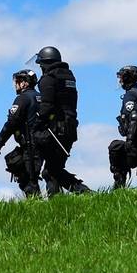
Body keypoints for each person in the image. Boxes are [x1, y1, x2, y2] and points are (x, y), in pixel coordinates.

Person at [32, 46, 92, 195]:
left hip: (56, 129)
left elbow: (46, 106)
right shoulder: (69, 77)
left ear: (46, 63)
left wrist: (37, 124)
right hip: (70, 127)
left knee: (50, 171)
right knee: (54, 169)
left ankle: (82, 192)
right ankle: (67, 198)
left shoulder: (48, 79)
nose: (40, 67)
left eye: (41, 64)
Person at [0, 69, 42, 197]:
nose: (15, 84)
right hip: (43, 142)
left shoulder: (22, 98)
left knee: (27, 178)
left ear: (25, 83)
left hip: (30, 145)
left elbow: (11, 123)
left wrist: (0, 141)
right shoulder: (40, 97)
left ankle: (37, 207)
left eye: (18, 81)